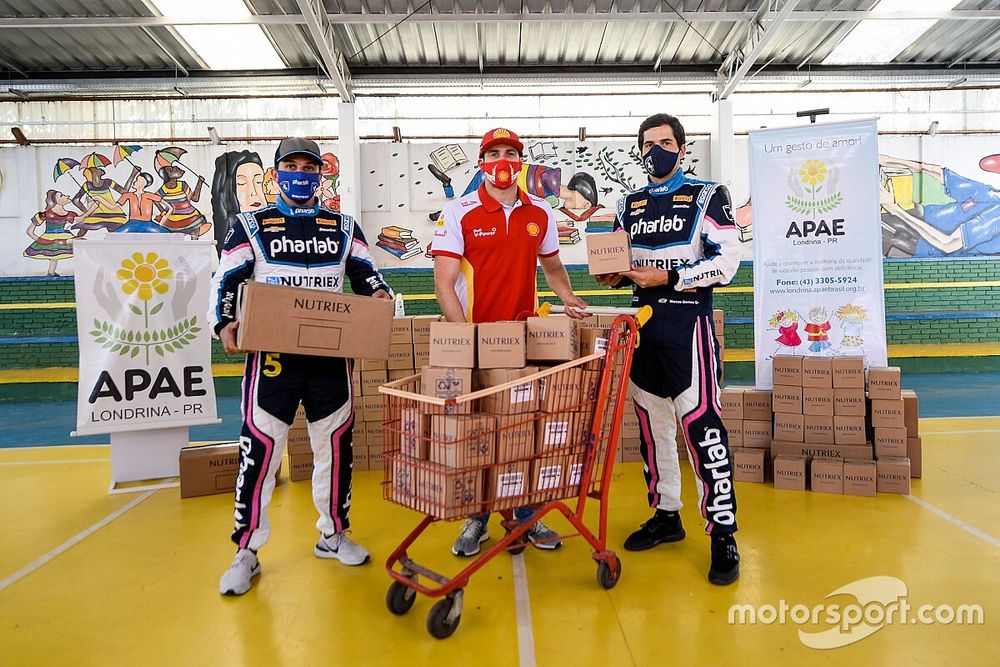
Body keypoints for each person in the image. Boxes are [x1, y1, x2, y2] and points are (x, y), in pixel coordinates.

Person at [211, 137, 393, 596]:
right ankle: (246, 551)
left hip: (330, 356)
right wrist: (223, 321)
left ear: (320, 174)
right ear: (276, 174)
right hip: (271, 359)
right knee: (261, 451)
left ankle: (333, 534)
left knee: (335, 448)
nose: (300, 173)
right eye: (290, 165)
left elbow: (367, 274)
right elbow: (228, 277)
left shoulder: (343, 225)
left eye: (308, 166)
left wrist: (378, 296)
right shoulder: (249, 224)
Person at [596, 113, 742, 585]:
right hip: (642, 326)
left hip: (689, 322)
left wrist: (675, 277)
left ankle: (723, 532)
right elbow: (616, 263)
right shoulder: (628, 203)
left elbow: (728, 262)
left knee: (703, 429)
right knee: (653, 430)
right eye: (647, 143)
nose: (655, 150)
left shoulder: (709, 194)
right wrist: (611, 274)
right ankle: (667, 514)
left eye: (664, 142)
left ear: (681, 149)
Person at [431, 127, 589, 557]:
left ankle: (527, 518)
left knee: (523, 431)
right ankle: (477, 519)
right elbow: (443, 284)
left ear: (520, 163)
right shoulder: (458, 211)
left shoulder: (540, 212)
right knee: (478, 433)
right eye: (494, 153)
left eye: (511, 153)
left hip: (523, 340)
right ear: (482, 162)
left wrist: (569, 298)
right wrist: (465, 337)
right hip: (477, 340)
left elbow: (553, 268)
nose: (503, 161)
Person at [24, 190, 96, 275]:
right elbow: (29, 231)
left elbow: (81, 218)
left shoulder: (69, 214)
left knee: (81, 244)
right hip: (49, 237)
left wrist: (92, 208)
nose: (67, 196)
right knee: (54, 255)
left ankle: (84, 270)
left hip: (63, 236)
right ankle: (51, 274)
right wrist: (41, 240)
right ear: (55, 200)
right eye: (61, 195)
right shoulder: (44, 214)